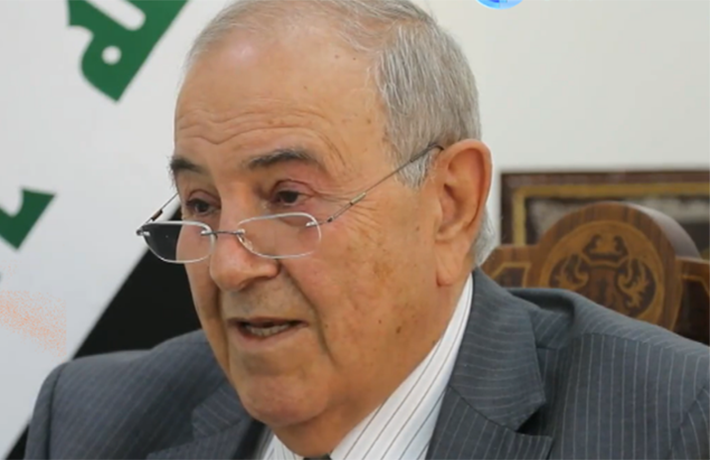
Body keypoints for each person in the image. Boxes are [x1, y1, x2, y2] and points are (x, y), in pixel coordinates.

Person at [23, 0, 710, 459]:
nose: (229, 268)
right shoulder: (91, 423)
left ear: (450, 205)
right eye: (200, 205)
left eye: (287, 198)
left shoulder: (669, 422)